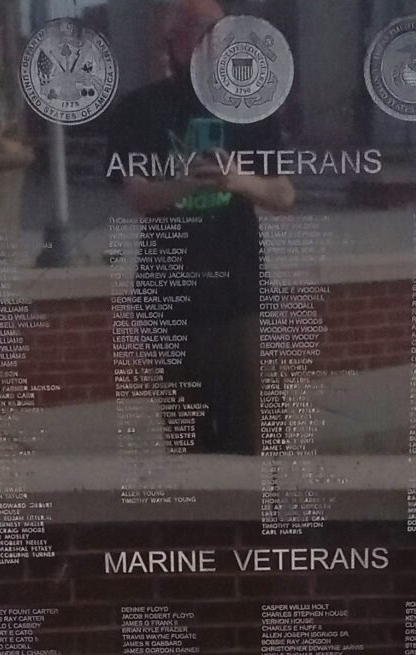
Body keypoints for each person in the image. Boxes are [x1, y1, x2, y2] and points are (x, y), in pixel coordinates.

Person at [107, 0, 295, 455]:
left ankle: (250, 527)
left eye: (216, 30)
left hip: (239, 297)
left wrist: (238, 181)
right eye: (196, 31)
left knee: (252, 436)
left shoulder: (252, 109)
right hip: (170, 300)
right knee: (188, 440)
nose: (209, 41)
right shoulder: (139, 111)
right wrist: (184, 183)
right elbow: (136, 196)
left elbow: (285, 196)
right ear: (171, 43)